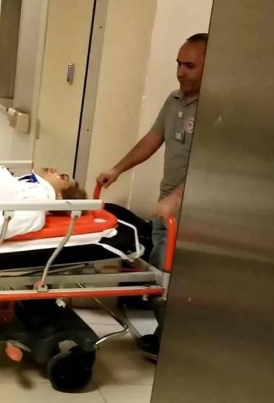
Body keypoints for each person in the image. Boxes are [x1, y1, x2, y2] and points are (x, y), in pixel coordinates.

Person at [96, 33, 208, 361]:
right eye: (178, 63)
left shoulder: (216, 111)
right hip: (166, 207)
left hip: (194, 210)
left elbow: (207, 163)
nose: (180, 71)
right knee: (161, 271)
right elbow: (152, 139)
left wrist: (177, 198)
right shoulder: (174, 100)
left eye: (190, 66)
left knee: (176, 278)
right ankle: (166, 337)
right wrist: (117, 169)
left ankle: (173, 343)